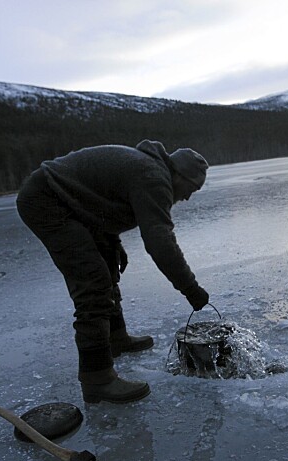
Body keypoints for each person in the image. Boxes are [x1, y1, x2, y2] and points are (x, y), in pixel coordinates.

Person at [16, 139, 210, 404]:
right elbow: (160, 242)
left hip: (70, 203)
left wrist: (113, 241)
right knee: (92, 282)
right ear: (179, 174)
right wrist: (191, 288)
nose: (188, 197)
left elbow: (101, 199)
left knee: (107, 262)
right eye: (192, 188)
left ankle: (116, 338)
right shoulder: (154, 177)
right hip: (47, 201)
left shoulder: (150, 169)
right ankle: (97, 379)